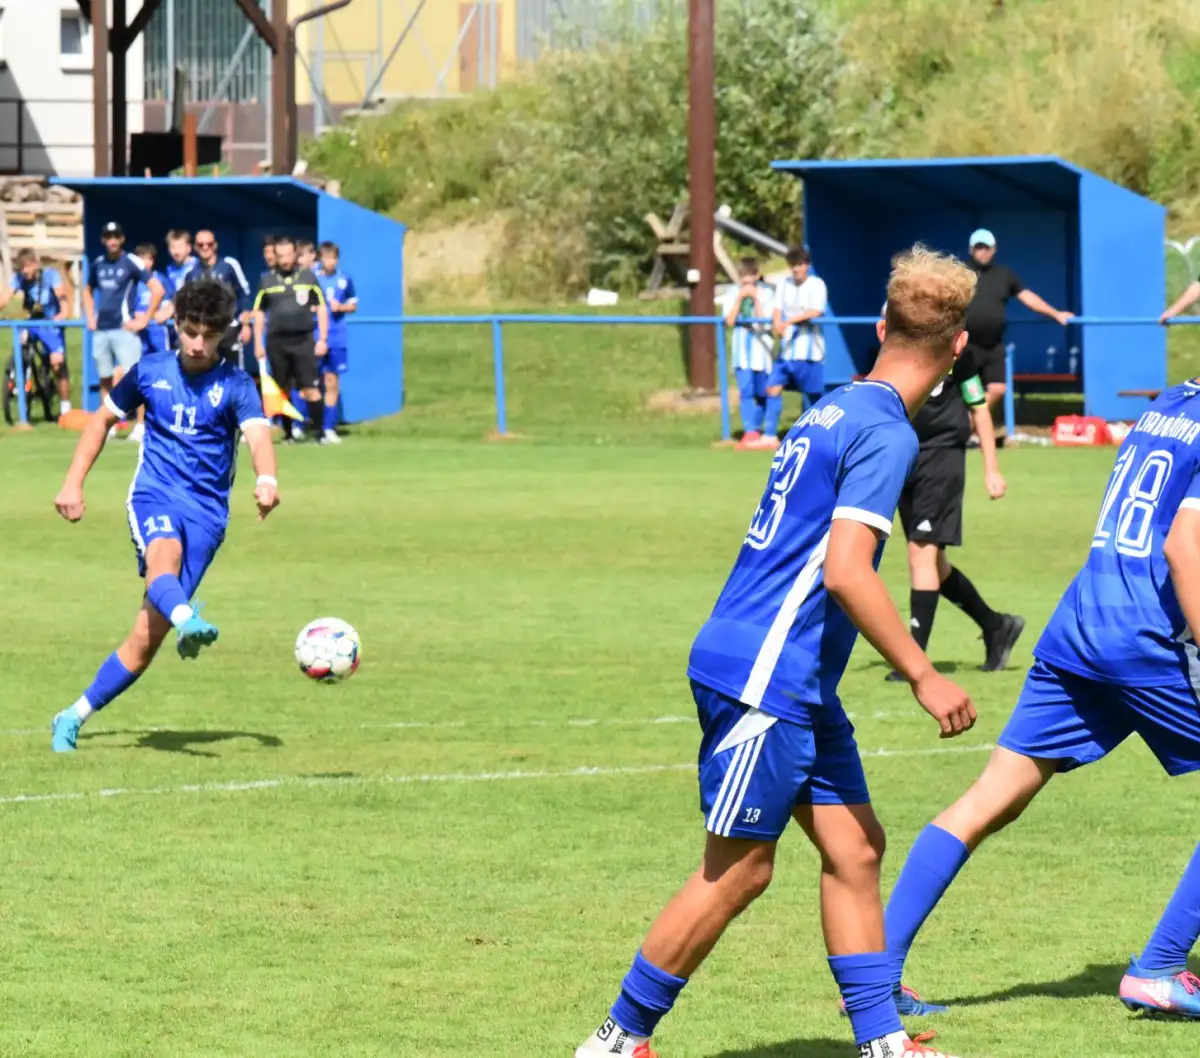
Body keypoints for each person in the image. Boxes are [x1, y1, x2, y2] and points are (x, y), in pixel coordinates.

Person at [574, 246, 980, 1058]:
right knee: (740, 870)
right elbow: (845, 573)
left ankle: (882, 1041)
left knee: (856, 846)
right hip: (766, 674)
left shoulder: (831, 406)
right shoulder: (886, 433)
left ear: (879, 326)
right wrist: (925, 672)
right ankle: (617, 1039)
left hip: (792, 675)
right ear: (959, 346)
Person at [880, 382, 1200, 1020]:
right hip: (1146, 639)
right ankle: (1161, 968)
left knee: (989, 798)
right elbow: (1183, 545)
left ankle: (876, 975)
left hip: (1081, 625)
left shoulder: (1171, 404)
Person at [49, 278, 278, 754]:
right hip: (154, 495)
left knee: (143, 640)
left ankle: (72, 715)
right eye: (190, 331)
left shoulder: (236, 385)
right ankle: (184, 616)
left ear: (223, 336)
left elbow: (258, 436)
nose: (197, 343)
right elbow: (101, 421)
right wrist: (73, 483)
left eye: (208, 335)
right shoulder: (149, 371)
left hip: (208, 515)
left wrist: (267, 480)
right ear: (176, 326)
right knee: (162, 560)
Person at [885, 327, 1023, 677]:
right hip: (906, 460)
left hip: (943, 460)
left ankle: (913, 657)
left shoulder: (959, 353)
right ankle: (996, 625)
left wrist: (992, 468)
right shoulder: (898, 350)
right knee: (935, 564)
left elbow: (978, 407)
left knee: (921, 553)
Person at [962, 229, 1073, 413]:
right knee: (964, 393)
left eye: (986, 247)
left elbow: (1028, 297)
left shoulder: (1005, 275)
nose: (983, 251)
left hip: (993, 345)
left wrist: (1056, 314)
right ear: (971, 250)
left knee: (998, 389)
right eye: (978, 247)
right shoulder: (962, 273)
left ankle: (968, 427)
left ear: (994, 249)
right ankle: (966, 430)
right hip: (966, 344)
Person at [253, 234, 328, 442]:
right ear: (274, 257)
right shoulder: (266, 280)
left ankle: (320, 433)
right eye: (280, 255)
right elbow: (258, 313)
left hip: (304, 339)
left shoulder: (308, 277)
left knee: (310, 388)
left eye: (288, 254)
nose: (285, 259)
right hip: (277, 341)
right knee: (282, 390)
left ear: (295, 254)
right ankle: (288, 434)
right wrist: (258, 343)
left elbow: (322, 308)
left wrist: (322, 338)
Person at [82, 221, 163, 410]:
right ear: (103, 240)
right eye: (108, 237)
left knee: (134, 378)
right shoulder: (98, 264)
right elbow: (87, 289)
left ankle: (141, 426)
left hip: (124, 328)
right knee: (105, 378)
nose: (112, 241)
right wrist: (90, 316)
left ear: (122, 239)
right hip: (102, 329)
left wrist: (145, 319)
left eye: (116, 237)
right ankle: (107, 424)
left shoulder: (131, 261)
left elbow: (158, 290)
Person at [0, 249, 72, 416]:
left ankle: (65, 408)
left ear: (35, 264)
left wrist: (64, 313)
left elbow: (61, 295)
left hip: (50, 324)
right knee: (20, 344)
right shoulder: (18, 278)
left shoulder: (50, 275)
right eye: (21, 268)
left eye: (27, 267)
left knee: (58, 363)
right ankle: (20, 378)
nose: (24, 271)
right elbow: (5, 297)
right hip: (32, 321)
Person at [766, 246, 828, 436]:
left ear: (807, 266)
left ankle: (818, 433)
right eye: (793, 265)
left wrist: (788, 321)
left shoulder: (817, 284)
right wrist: (777, 323)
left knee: (814, 395)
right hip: (786, 350)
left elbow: (816, 311)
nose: (796, 269)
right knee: (772, 388)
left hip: (809, 350)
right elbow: (777, 308)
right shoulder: (784, 284)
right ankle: (769, 435)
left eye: (799, 265)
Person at [721, 257, 775, 450]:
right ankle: (749, 431)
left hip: (762, 352)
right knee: (745, 391)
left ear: (757, 274)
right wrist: (739, 299)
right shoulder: (732, 293)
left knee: (763, 392)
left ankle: (762, 429)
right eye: (744, 276)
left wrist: (756, 299)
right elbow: (728, 321)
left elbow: (765, 321)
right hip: (742, 352)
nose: (747, 281)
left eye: (751, 276)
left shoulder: (767, 293)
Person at [180, 230, 253, 368]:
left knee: (233, 373)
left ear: (215, 245)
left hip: (229, 329)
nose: (205, 248)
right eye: (201, 245)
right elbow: (185, 304)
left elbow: (244, 293)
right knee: (205, 371)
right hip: (204, 332)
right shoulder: (191, 273)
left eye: (209, 244)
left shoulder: (229, 265)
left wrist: (246, 324)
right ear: (195, 248)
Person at [315, 241, 357, 445]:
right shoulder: (313, 279)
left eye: (333, 258)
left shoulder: (344, 279)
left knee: (332, 381)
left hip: (337, 337)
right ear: (320, 259)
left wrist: (341, 307)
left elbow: (353, 304)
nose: (329, 262)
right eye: (326, 257)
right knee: (311, 381)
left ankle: (328, 428)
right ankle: (300, 427)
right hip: (315, 336)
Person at [134, 243, 174, 358]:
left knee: (162, 358)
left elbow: (170, 302)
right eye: (142, 259)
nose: (146, 263)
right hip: (139, 329)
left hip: (158, 328)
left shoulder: (161, 278)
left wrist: (162, 313)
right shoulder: (133, 281)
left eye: (149, 259)